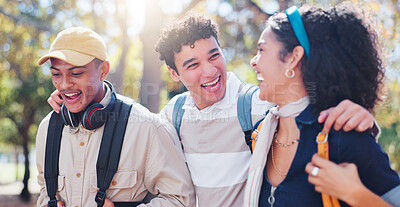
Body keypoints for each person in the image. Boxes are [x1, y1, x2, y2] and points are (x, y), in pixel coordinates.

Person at [47, 14, 376, 207]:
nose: (209, 71)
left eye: (214, 55)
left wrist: (359, 112)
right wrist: (72, 100)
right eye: (192, 64)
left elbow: (306, 97)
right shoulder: (172, 117)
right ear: (175, 75)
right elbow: (131, 140)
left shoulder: (255, 102)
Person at [244, 3, 400, 207]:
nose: (254, 62)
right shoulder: (258, 136)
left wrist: (356, 195)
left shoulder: (343, 137)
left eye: (262, 49)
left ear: (293, 58)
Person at [35, 27, 195, 207]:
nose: (64, 84)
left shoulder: (145, 127)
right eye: (56, 74)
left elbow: (180, 200)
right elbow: (44, 192)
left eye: (76, 73)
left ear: (103, 70)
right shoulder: (46, 128)